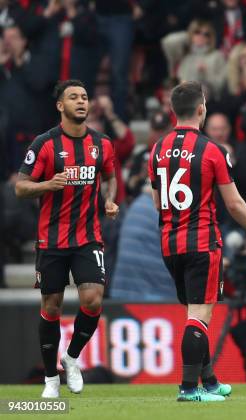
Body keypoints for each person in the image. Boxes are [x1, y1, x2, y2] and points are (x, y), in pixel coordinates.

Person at [148, 81, 246, 403]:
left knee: (194, 313)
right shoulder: (212, 150)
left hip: (170, 243)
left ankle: (210, 381)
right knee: (199, 316)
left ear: (173, 110)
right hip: (201, 241)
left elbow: (157, 202)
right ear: (202, 109)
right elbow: (234, 204)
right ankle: (188, 389)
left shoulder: (157, 149)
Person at [15, 79, 119, 398]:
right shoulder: (45, 144)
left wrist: (109, 200)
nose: (81, 102)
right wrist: (47, 185)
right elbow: (20, 186)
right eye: (73, 97)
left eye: (85, 97)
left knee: (93, 300)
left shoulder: (102, 144)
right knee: (52, 306)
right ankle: (50, 379)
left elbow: (111, 176)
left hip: (88, 237)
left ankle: (71, 358)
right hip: (52, 240)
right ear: (60, 105)